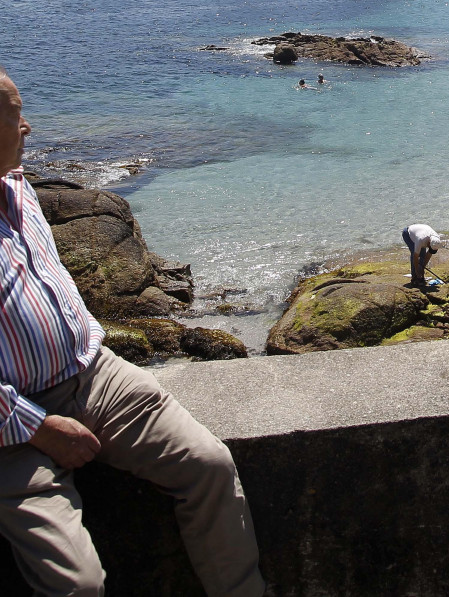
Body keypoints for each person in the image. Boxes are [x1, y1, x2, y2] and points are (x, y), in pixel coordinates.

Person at [0, 67, 264, 597]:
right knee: (78, 586)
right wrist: (36, 426)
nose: (28, 127)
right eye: (14, 117)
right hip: (12, 426)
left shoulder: (19, 189)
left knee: (209, 467)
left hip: (92, 374)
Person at [401, 223, 441, 287]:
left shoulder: (437, 239)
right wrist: (417, 271)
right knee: (415, 252)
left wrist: (423, 268)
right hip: (408, 234)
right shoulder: (420, 239)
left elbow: (429, 254)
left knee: (423, 256)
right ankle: (414, 277)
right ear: (429, 243)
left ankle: (420, 275)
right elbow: (415, 256)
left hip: (421, 231)